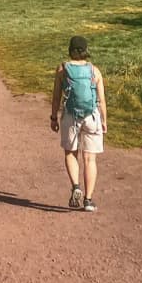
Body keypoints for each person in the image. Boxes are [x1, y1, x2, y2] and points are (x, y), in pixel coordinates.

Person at [50, 35, 107, 212]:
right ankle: (88, 200)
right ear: (85, 51)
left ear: (70, 50)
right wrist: (104, 120)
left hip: (70, 116)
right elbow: (101, 100)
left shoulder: (62, 69)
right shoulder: (94, 71)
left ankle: (76, 186)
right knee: (90, 159)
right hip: (91, 116)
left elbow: (56, 96)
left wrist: (53, 117)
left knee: (70, 153)